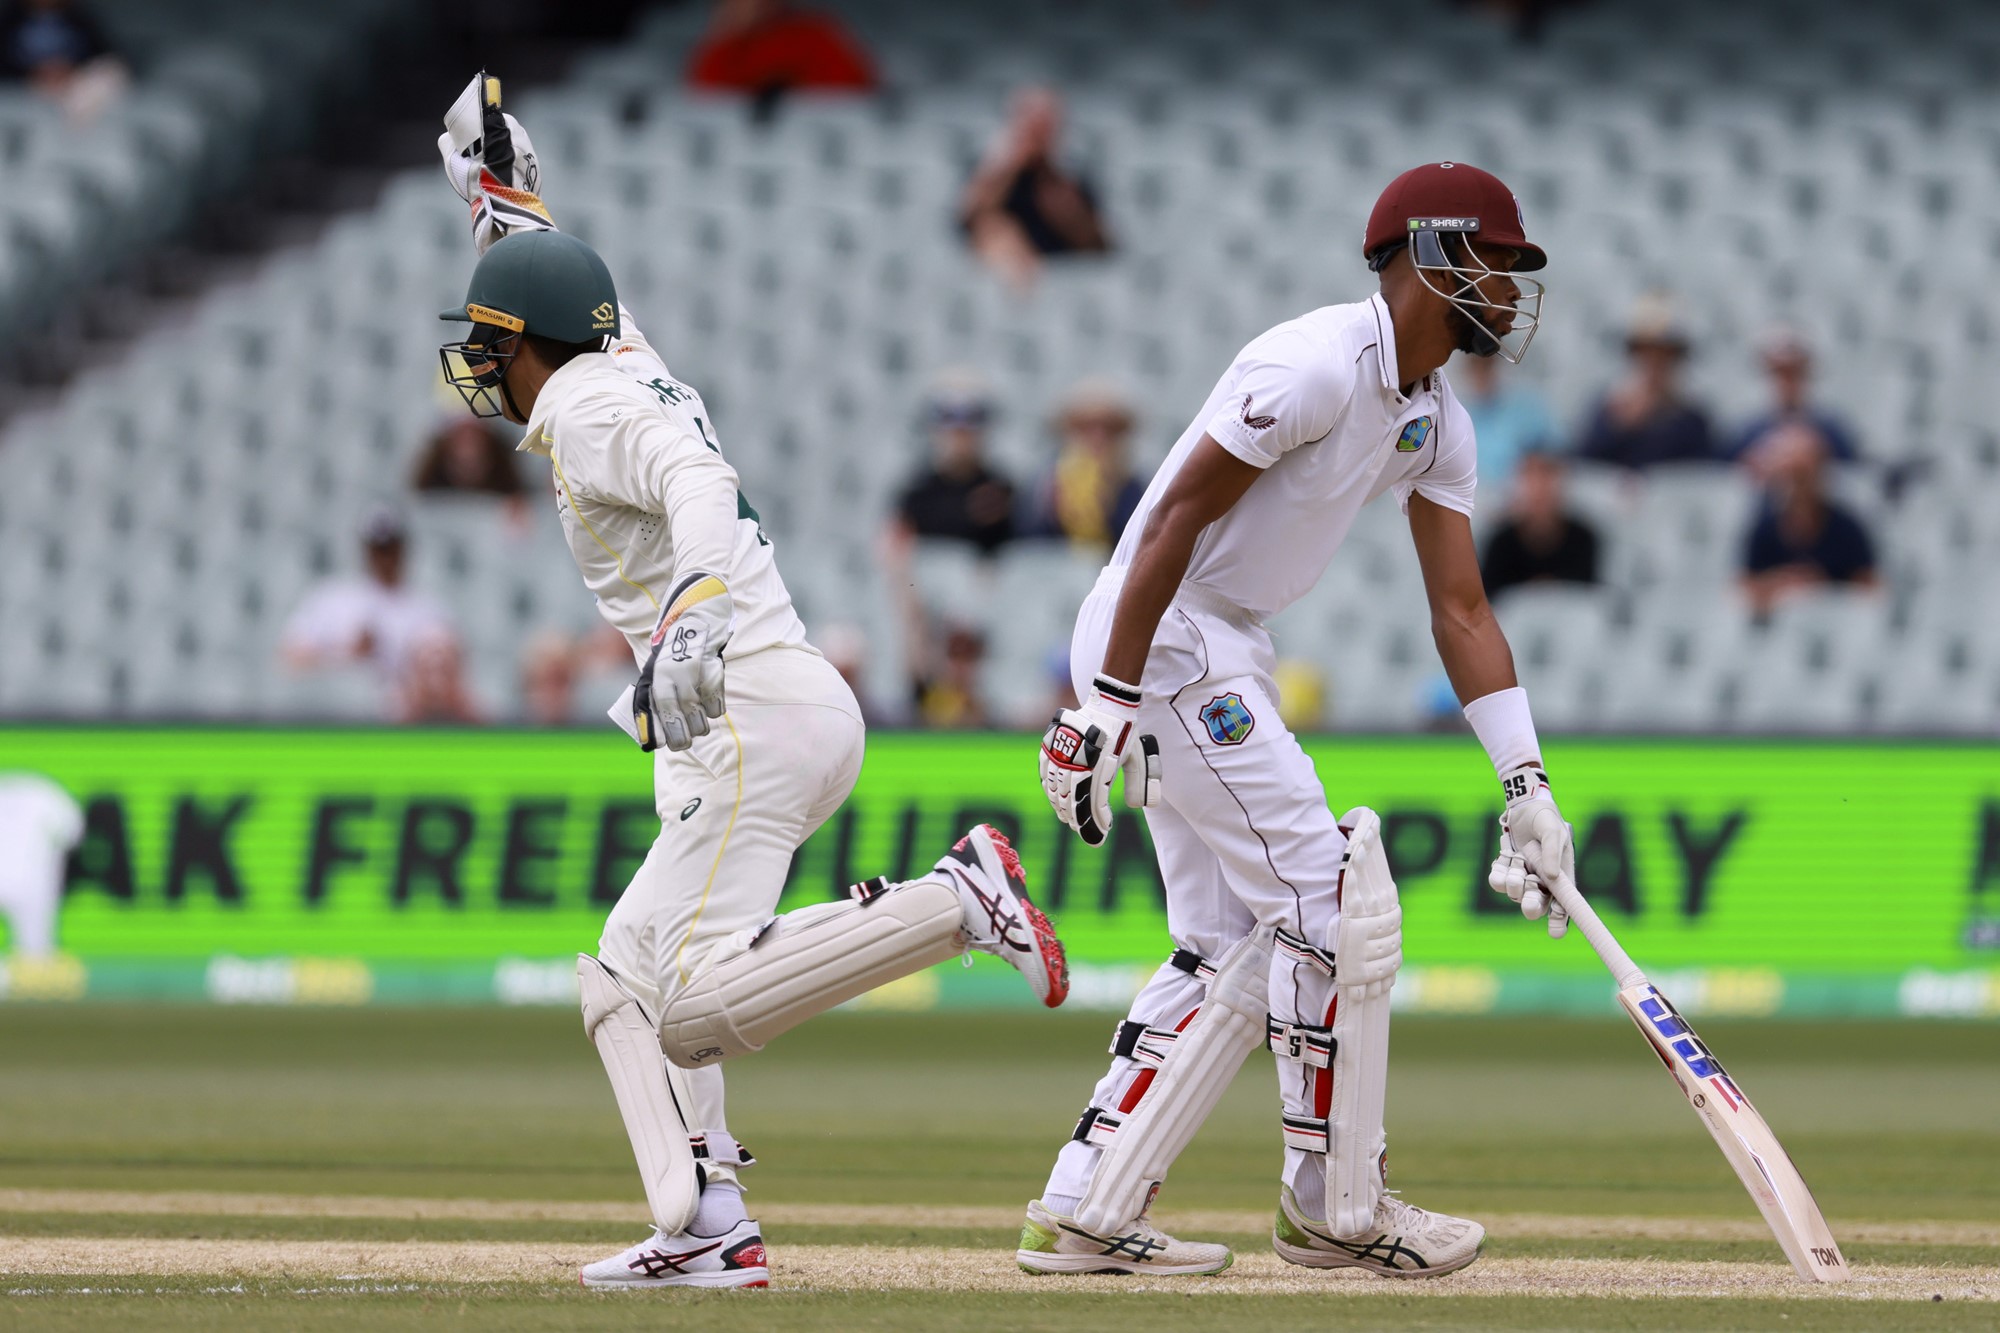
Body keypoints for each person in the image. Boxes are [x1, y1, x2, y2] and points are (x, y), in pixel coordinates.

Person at [434, 72, 1068, 1289]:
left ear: (529, 352)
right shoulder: (617, 353)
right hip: (772, 702)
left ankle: (950, 901)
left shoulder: (583, 404)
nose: (481, 366)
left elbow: (697, 489)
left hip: (747, 713)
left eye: (490, 346)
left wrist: (692, 613)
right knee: (637, 968)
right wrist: (498, 192)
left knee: (658, 995)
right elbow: (558, 286)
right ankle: (707, 1214)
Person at [1027, 161, 1577, 1280]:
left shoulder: (1434, 421)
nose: (1513, 289)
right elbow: (1170, 514)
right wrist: (1109, 703)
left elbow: (1460, 609)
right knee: (1330, 897)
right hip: (1166, 632)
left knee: (1227, 940)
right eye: (1496, 261)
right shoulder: (1315, 363)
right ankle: (1332, 1200)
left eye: (1520, 269)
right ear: (1425, 256)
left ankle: (1082, 1204)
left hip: (1223, 644)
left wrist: (1525, 786)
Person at [278, 507, 459, 706]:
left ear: (403, 548)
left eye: (390, 547)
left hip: (400, 723)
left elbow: (450, 680)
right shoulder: (332, 599)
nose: (385, 557)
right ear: (366, 549)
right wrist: (347, 653)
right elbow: (291, 659)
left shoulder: (428, 610)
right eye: (378, 549)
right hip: (336, 716)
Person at [959, 88, 1110, 289]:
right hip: (1000, 274)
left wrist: (1069, 214)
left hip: (1065, 276)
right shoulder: (990, 171)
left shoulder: (1072, 175)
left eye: (1044, 126)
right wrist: (1007, 169)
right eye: (1031, 125)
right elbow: (967, 221)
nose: (1037, 135)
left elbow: (1101, 245)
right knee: (995, 230)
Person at [1740, 429, 1878, 616]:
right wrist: (1782, 582)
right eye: (1790, 474)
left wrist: (1823, 588)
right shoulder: (1764, 529)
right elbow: (1743, 587)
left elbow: (1870, 587)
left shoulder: (1847, 528)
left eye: (1803, 473)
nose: (1797, 484)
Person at [887, 373, 1017, 556]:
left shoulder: (1004, 492)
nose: (960, 429)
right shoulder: (916, 495)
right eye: (949, 416)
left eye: (972, 417)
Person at [1576, 298, 1714, 468]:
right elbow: (1582, 462)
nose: (1654, 366)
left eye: (1664, 358)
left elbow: (1708, 470)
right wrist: (1618, 427)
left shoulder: (1692, 419)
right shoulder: (1609, 411)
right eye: (1647, 356)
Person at [1023, 378, 1147, 551]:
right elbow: (1030, 543)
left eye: (1108, 428)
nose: (1097, 437)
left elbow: (1135, 545)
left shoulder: (1132, 486)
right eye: (1086, 428)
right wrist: (1055, 514)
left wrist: (1107, 506)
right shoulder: (1045, 484)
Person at [1726, 327, 1860, 472]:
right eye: (1779, 372)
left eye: (1794, 372)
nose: (1786, 381)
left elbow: (1850, 475)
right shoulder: (1747, 432)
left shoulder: (1832, 430)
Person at [685, 0, 875, 97]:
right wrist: (725, 34)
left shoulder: (813, 33)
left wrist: (789, 92)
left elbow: (853, 95)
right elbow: (704, 102)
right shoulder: (722, 45)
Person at [1478, 449, 1600, 599]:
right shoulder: (1500, 543)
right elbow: (1488, 599)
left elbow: (1591, 596)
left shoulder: (1583, 539)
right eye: (1531, 478)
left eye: (1547, 476)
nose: (1539, 488)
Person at [0, 771, 82, 959]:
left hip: (32, 883)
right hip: (32, 883)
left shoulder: (46, 794)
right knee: (36, 954)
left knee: (36, 954)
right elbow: (73, 835)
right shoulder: (47, 794)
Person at [0, 0, 125, 120]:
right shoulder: (9, 20)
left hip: (73, 89)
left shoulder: (80, 19)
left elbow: (105, 56)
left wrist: (70, 71)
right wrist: (30, 74)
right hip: (22, 92)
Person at [1454, 350, 1558, 487]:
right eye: (1475, 367)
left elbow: (1554, 454)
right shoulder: (1455, 416)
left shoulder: (1527, 405)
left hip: (1523, 495)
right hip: (1476, 498)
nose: (1480, 375)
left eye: (1486, 366)